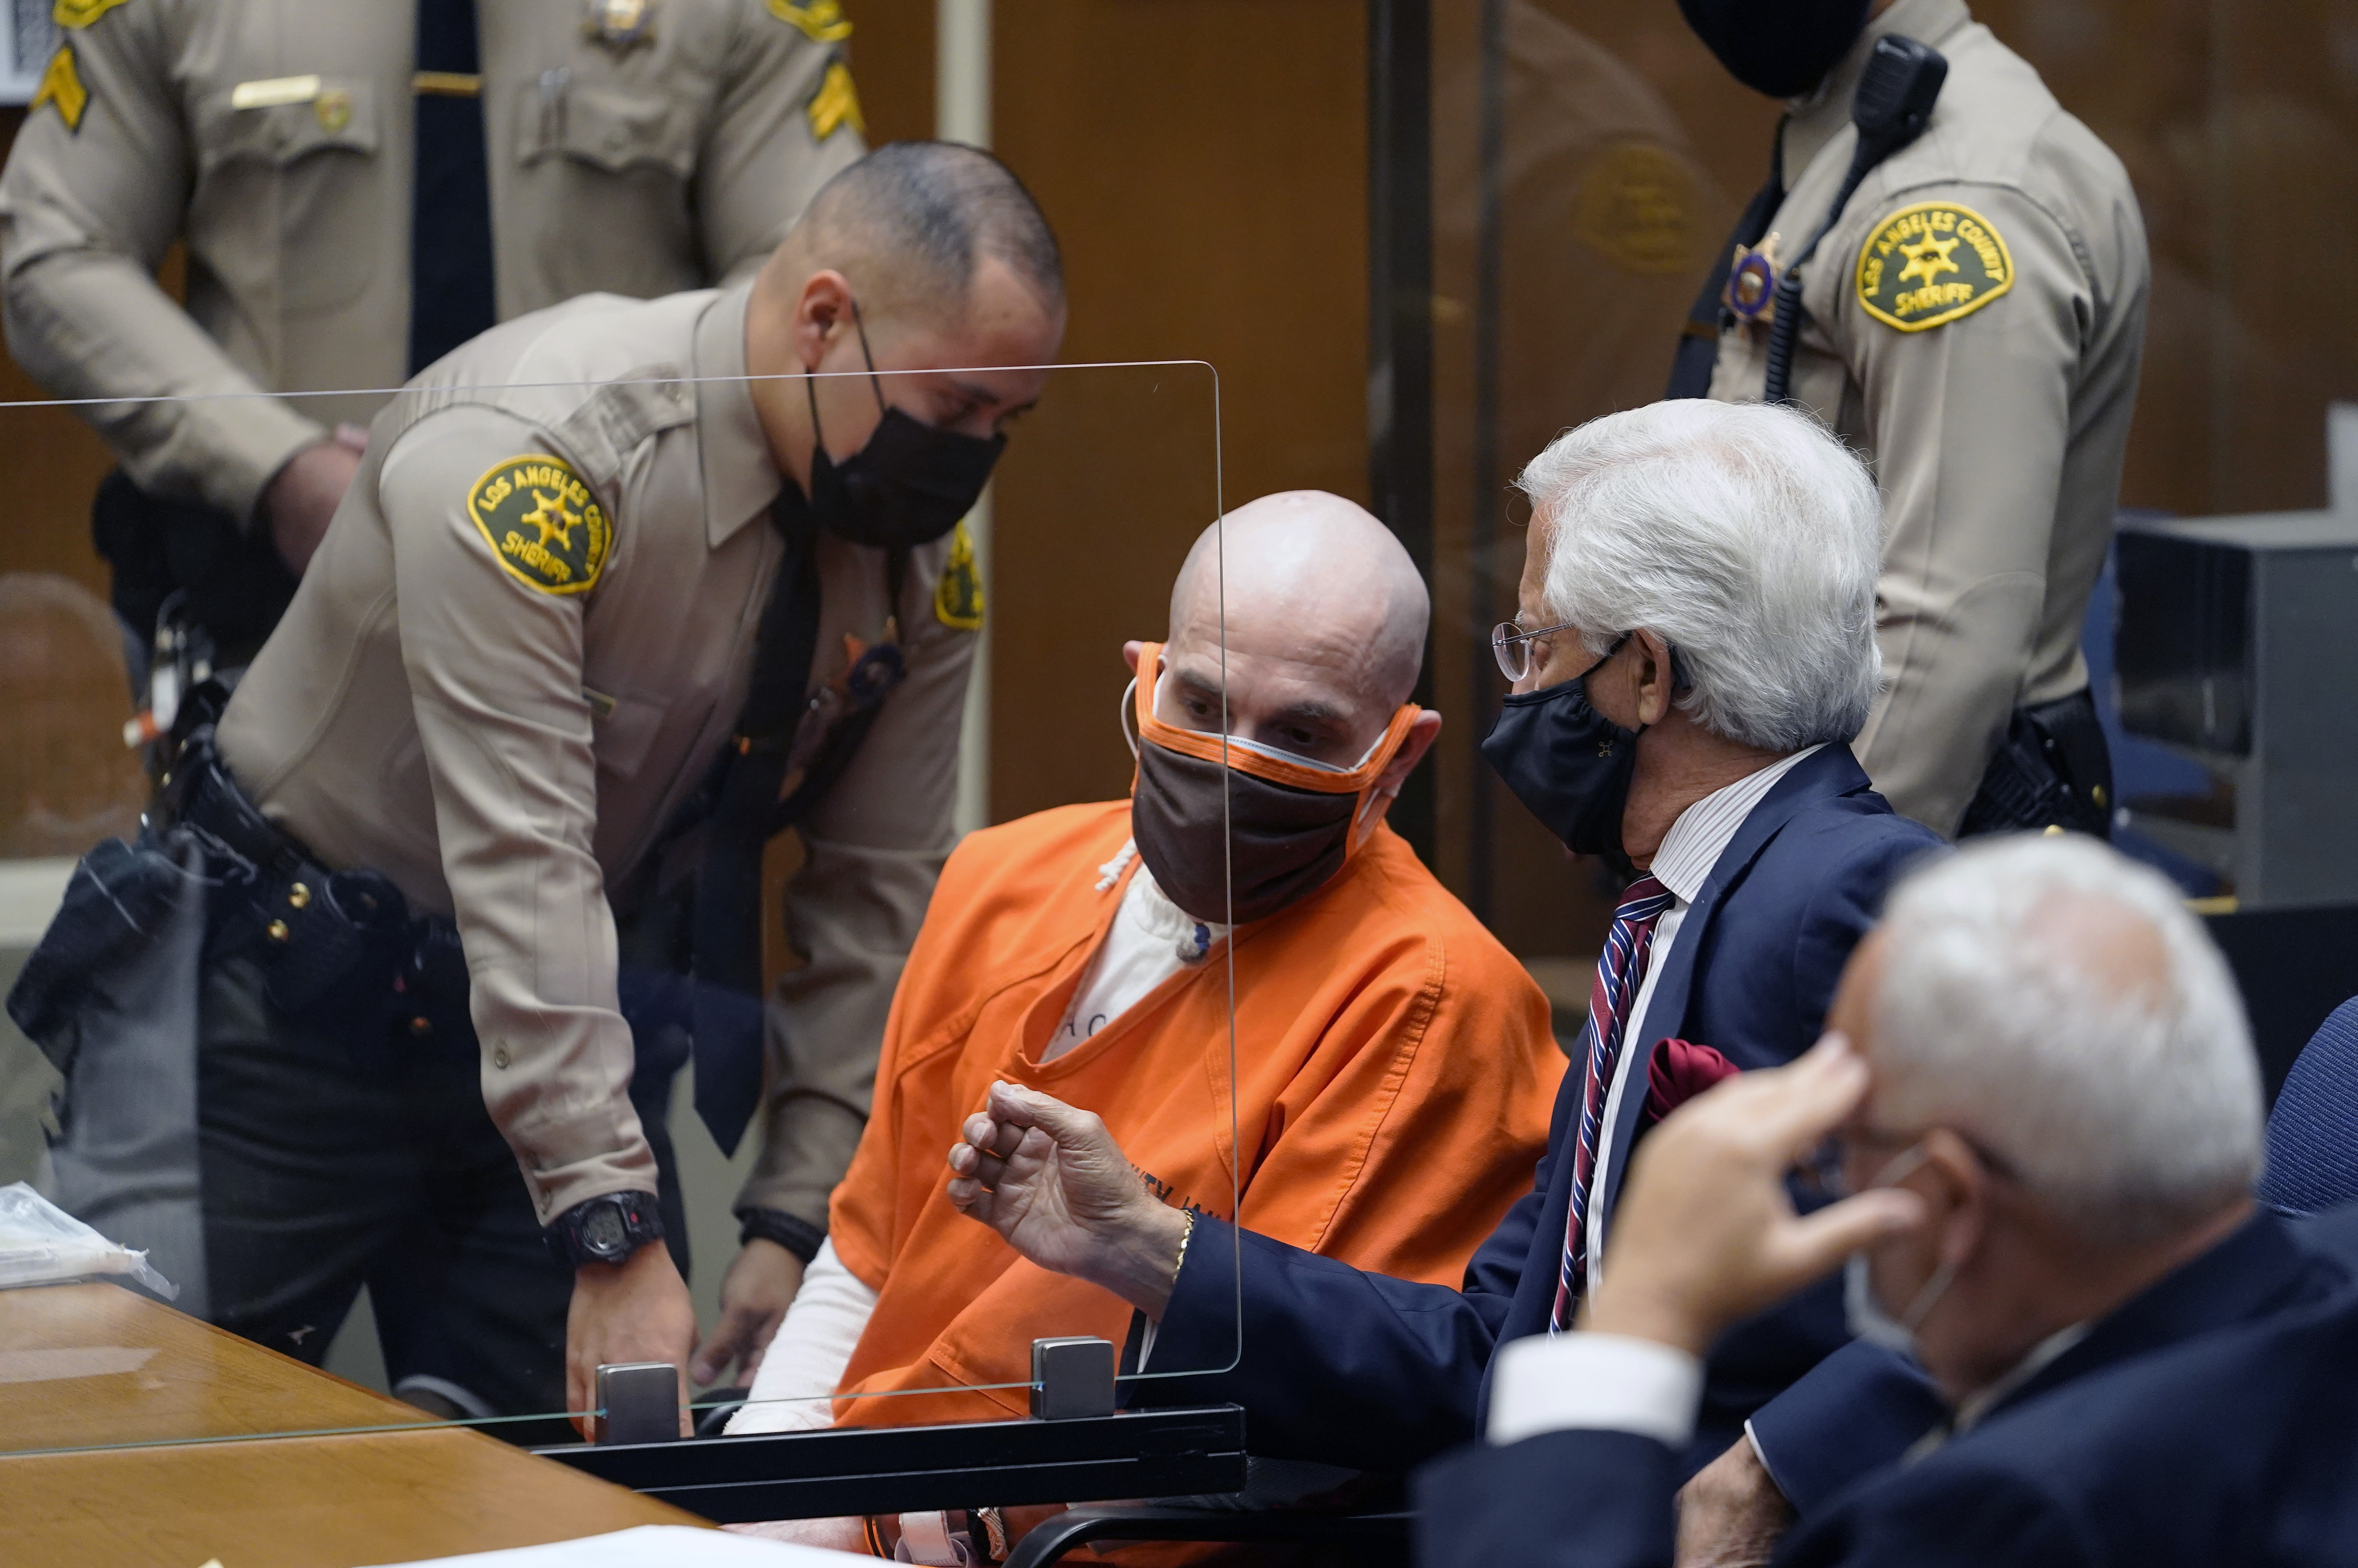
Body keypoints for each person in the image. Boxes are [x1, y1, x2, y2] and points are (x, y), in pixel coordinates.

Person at [6, 142, 1064, 1431]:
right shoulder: (543, 453)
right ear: (823, 319)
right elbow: (525, 855)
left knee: (597, 1485)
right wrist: (610, 1223)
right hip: (283, 1017)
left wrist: (802, 1221)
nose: (975, 458)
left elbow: (877, 895)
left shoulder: (913, 564)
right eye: (955, 408)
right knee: (119, 1450)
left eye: (1012, 424)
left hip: (561, 1036)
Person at [944, 401, 1943, 1479]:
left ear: (1647, 675)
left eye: (1535, 645)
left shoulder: (1849, 884)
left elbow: (2026, 1260)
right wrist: (1140, 1242)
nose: (1517, 690)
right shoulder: (1669, 914)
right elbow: (1493, 1357)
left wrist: (1771, 1472)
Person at [723, 491, 1561, 1554]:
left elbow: (1319, 1416)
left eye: (1301, 734)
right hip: (851, 1494)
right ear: (1145, 677)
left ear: (1397, 757)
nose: (1233, 761)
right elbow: (869, 1255)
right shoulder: (1000, 878)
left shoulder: (1432, 996)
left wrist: (952, 1529)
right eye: (1202, 705)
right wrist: (753, 1493)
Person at [1416, 835, 2358, 1567]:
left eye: (1841, 1155)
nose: (1832, 1178)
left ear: (1943, 1202)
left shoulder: (2004, 1522)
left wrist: (1635, 1326)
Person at [0, 0, 866, 678]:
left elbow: (811, 281)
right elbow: (55, 251)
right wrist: (276, 468)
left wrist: (649, 476)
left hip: (612, 638)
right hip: (272, 623)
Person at [1666, 0, 2147, 840]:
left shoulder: (1948, 198)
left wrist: (1788, 893)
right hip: (1836, 810)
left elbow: (1946, 635)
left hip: (1925, 835)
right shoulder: (1853, 137)